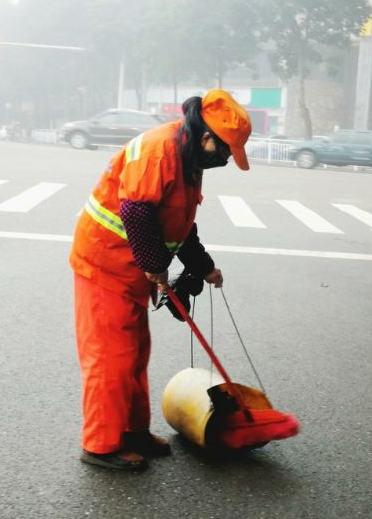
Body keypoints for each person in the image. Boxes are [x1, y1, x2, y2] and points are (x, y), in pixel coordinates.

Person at [69, 89, 252, 471]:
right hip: (104, 264)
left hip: (130, 267)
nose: (225, 162)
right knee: (111, 359)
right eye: (225, 153)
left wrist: (203, 267)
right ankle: (101, 445)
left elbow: (179, 223)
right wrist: (156, 267)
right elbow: (135, 213)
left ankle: (132, 432)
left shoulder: (190, 157)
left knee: (135, 354)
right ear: (207, 137)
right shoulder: (159, 152)